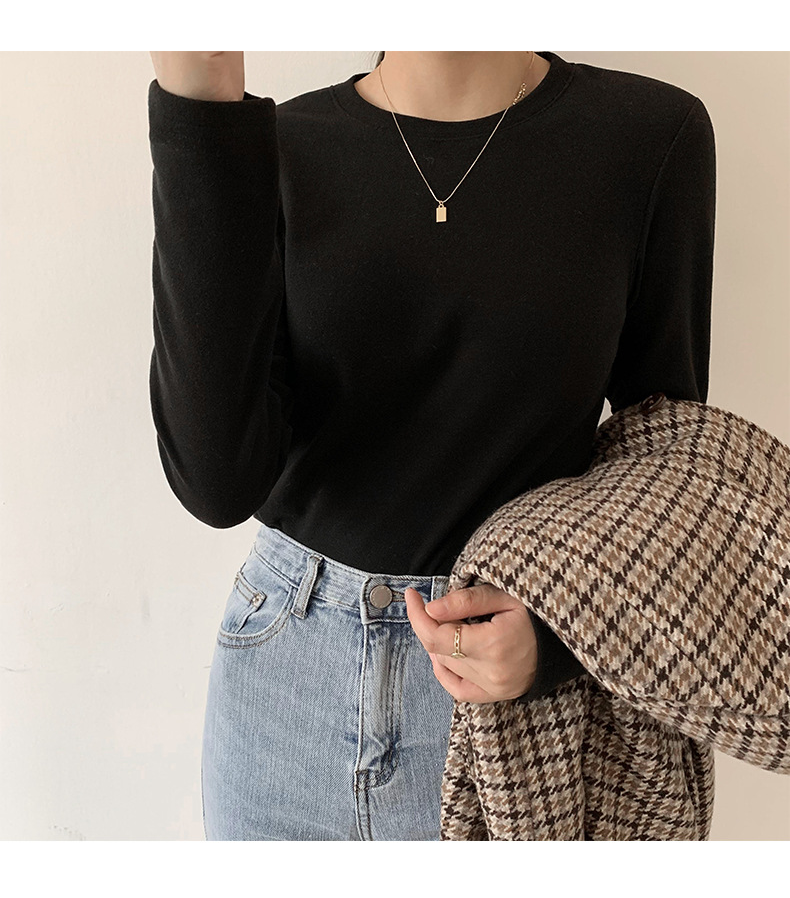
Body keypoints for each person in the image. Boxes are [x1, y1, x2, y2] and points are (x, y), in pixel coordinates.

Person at [147, 50, 716, 840]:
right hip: (283, 685)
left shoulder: (649, 135)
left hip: (505, 701)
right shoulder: (274, 144)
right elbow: (217, 481)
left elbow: (668, 471)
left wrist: (558, 641)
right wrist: (199, 100)